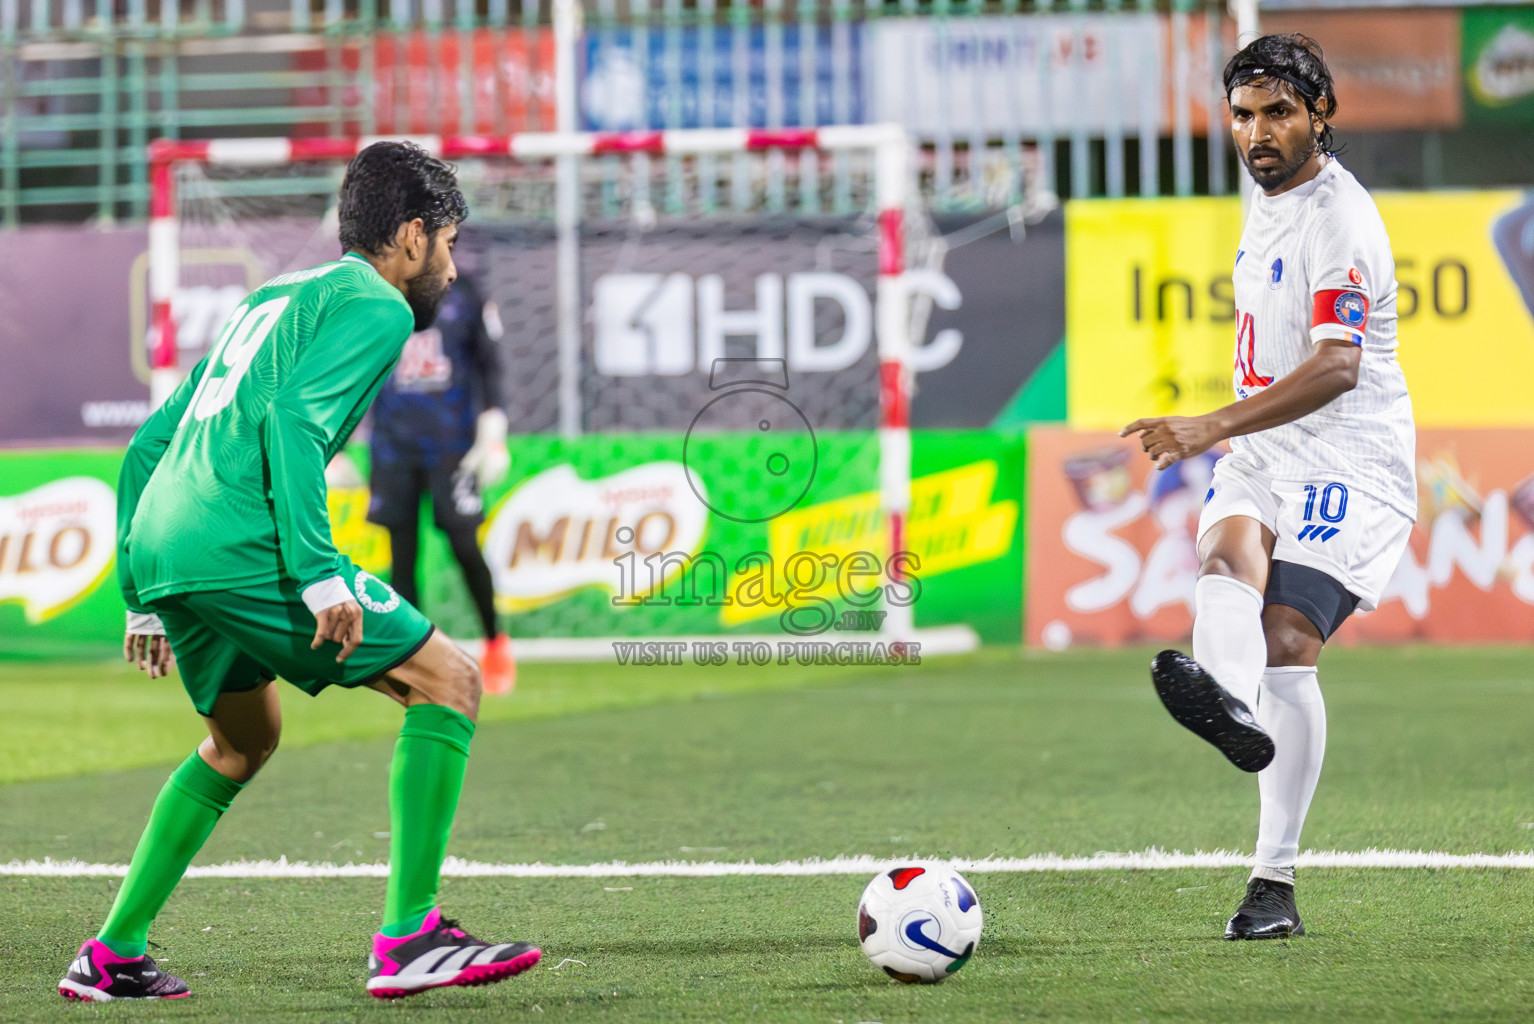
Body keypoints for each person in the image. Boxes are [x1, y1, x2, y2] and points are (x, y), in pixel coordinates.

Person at [59, 142, 542, 1002]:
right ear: (409, 236)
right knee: (450, 681)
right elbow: (292, 420)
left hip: (166, 545)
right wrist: (318, 574)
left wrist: (140, 598)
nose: (453, 265)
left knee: (243, 742)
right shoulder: (378, 304)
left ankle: (112, 953)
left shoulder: (273, 297)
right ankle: (410, 938)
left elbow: (147, 444)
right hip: (241, 540)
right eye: (450, 242)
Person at [1120, 35, 1415, 940]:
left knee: (1287, 635)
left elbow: (1336, 367)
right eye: (1243, 114)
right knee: (1225, 554)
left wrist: (1209, 424)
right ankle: (1232, 708)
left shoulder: (1342, 221)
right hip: (1267, 447)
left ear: (1320, 116)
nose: (1258, 132)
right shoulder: (1267, 192)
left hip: (1349, 455)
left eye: (1279, 112)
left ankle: (1272, 882)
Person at [366, 267, 515, 694]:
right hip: (393, 444)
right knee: (403, 555)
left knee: (465, 544)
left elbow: (490, 364)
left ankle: (495, 643)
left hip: (453, 445)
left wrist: (494, 430)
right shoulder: (375, 291)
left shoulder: (464, 290)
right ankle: (413, 659)